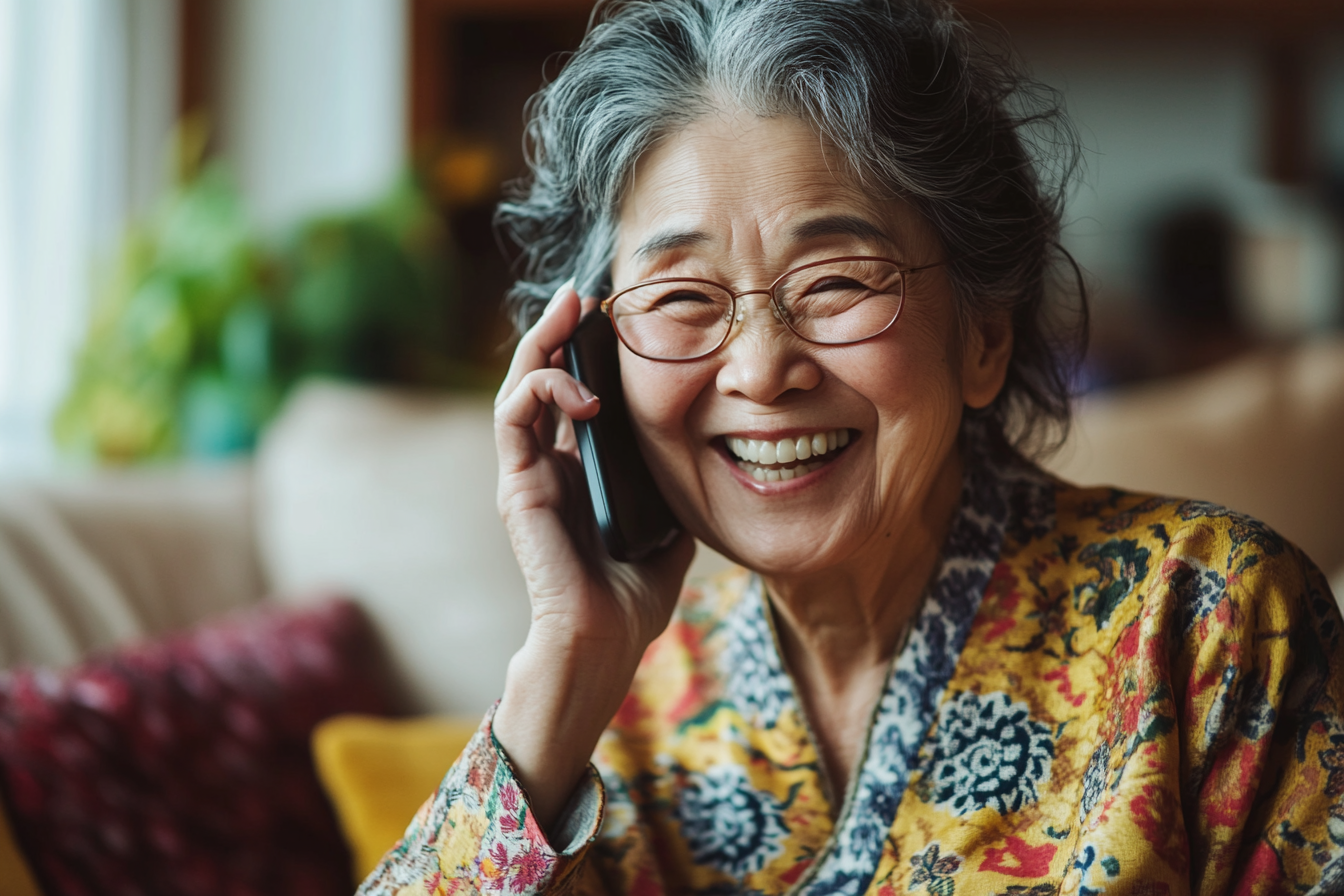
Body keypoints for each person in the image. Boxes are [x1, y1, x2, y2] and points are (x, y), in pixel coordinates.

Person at [360, 1, 1344, 893]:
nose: (759, 369)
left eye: (836, 281)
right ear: (597, 366)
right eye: (681, 298)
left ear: (984, 335)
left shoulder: (1208, 618)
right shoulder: (612, 713)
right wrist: (564, 671)